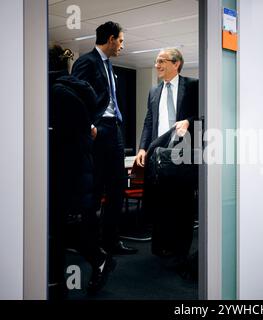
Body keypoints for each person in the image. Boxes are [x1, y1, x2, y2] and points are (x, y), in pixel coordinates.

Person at [48, 45, 116, 297]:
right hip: (66, 173)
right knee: (60, 230)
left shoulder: (59, 93)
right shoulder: (59, 91)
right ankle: (59, 280)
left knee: (63, 230)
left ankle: (94, 262)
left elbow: (82, 138)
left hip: (68, 174)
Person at [71, 21, 137, 255]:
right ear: (110, 39)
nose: (121, 45)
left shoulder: (110, 66)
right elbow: (74, 95)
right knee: (95, 190)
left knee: (117, 188)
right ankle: (90, 245)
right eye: (120, 40)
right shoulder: (86, 62)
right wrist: (89, 124)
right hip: (98, 130)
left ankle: (111, 241)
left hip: (114, 130)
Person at [136, 48, 199, 272]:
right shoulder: (154, 91)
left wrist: (190, 122)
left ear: (176, 64)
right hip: (158, 153)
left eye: (161, 61)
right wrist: (142, 148)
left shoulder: (193, 85)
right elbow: (148, 121)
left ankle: (181, 252)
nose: (157, 65)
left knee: (182, 203)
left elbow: (207, 113)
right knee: (160, 202)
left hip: (183, 153)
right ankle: (162, 247)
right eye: (155, 61)